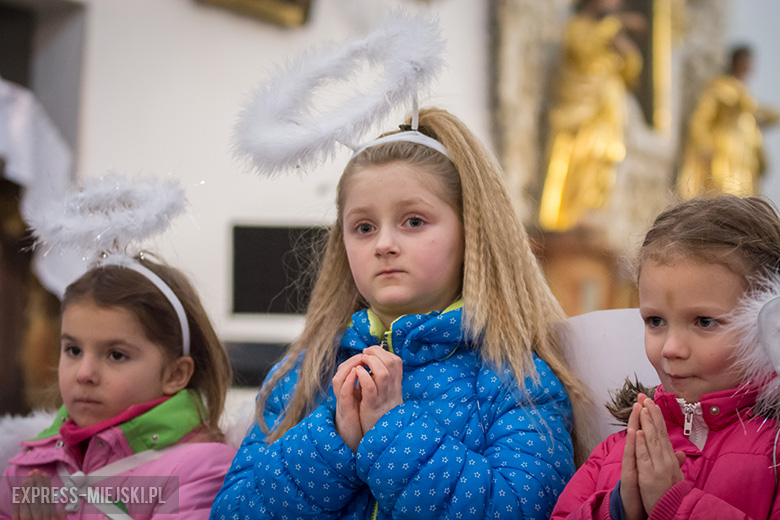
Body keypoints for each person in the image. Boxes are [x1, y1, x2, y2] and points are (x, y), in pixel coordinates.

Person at [211, 107, 589, 519]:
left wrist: (393, 428)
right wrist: (334, 439)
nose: (384, 244)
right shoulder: (304, 372)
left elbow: (521, 509)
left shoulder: (516, 376)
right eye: (364, 227)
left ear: (471, 231)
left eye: (413, 221)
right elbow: (232, 512)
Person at [551, 194, 780, 519]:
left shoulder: (775, 452)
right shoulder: (616, 451)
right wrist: (617, 509)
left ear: (769, 325)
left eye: (704, 322)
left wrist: (676, 504)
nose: (671, 348)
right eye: (655, 321)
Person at [1, 254, 236, 518]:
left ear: (175, 374)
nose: (84, 373)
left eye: (116, 355)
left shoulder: (201, 469)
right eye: (73, 350)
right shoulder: (31, 465)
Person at [538, 0, 644, 232]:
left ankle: (590, 216)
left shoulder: (610, 35)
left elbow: (630, 72)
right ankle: (566, 219)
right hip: (580, 112)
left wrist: (625, 50)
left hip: (606, 114)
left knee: (602, 161)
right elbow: (582, 51)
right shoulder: (578, 26)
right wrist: (614, 26)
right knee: (578, 160)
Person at [677, 46, 780, 199]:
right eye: (745, 62)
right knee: (725, 194)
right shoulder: (720, 87)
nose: (748, 66)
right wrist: (704, 145)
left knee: (745, 198)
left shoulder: (745, 92)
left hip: (744, 154)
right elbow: (700, 119)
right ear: (736, 63)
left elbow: (759, 113)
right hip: (725, 151)